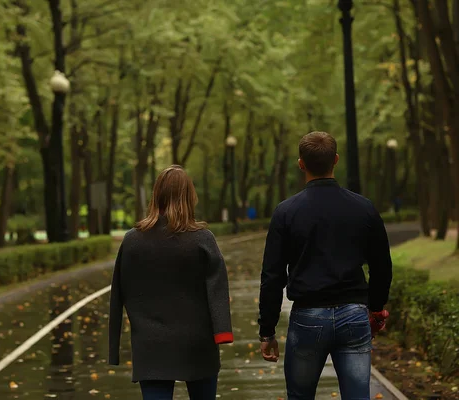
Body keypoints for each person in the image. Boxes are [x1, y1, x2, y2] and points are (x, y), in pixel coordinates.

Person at [258, 132, 393, 400]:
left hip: (308, 317)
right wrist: (376, 310)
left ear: (301, 164)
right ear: (336, 160)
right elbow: (382, 266)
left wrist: (267, 330)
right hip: (354, 316)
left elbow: (272, 276)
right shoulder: (363, 208)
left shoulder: (286, 212)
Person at [109, 165, 233, 400]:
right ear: (189, 196)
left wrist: (113, 347)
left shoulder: (133, 241)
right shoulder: (202, 239)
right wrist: (222, 332)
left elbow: (118, 293)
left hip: (151, 345)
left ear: (156, 195)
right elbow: (217, 288)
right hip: (197, 343)